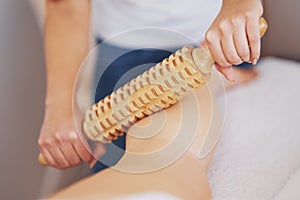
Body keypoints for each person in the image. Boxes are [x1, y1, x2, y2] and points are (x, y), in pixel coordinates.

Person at [38, 0, 264, 172]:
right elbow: (66, 6)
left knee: (168, 157)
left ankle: (212, 80)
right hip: (125, 45)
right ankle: (213, 81)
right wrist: (60, 108)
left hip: (219, 31)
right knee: (119, 165)